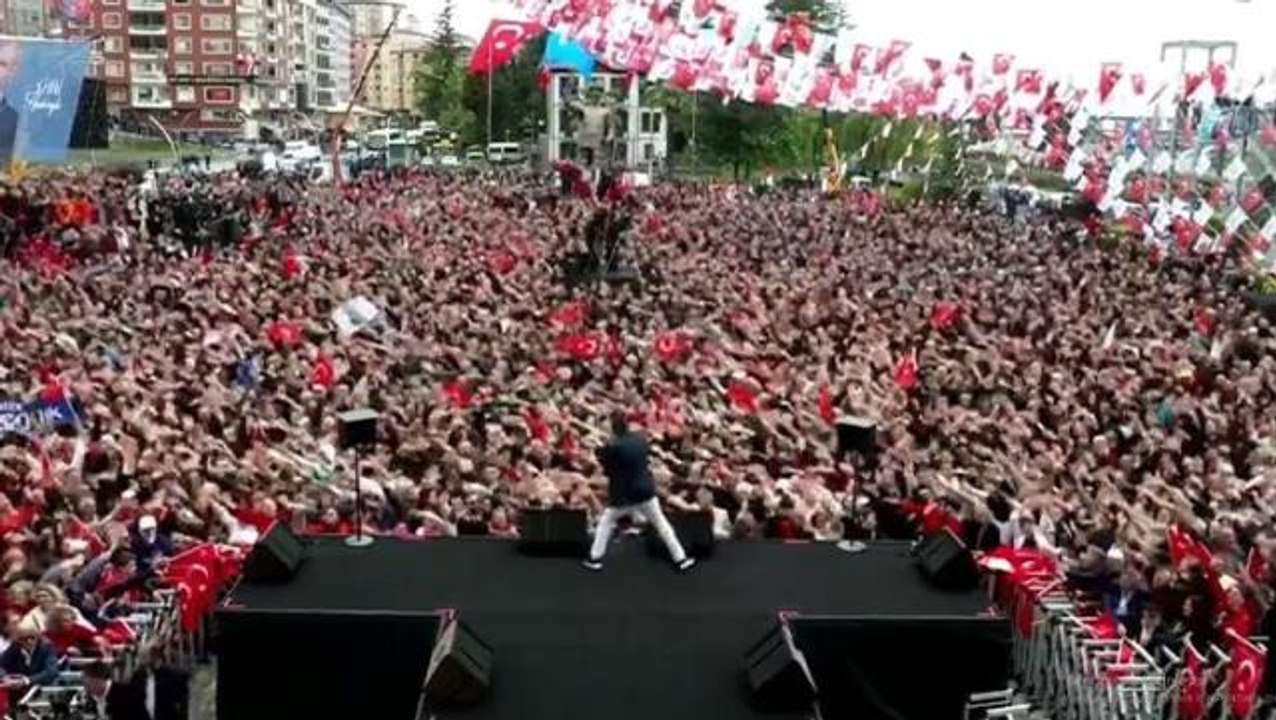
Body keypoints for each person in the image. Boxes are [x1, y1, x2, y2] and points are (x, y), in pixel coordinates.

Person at [584, 412, 694, 572]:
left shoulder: (613, 447)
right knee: (661, 523)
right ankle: (680, 558)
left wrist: (602, 448)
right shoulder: (640, 440)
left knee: (606, 523)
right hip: (645, 489)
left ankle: (595, 558)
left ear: (613, 429)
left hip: (624, 494)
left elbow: (607, 469)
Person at [0, 626, 60, 690]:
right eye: (24, 639)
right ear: (19, 640)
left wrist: (26, 681)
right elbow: (1, 664)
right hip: (17, 690)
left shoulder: (46, 647)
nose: (29, 641)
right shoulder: (15, 646)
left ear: (38, 637)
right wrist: (5, 678)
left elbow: (51, 672)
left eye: (32, 638)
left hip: (40, 689)